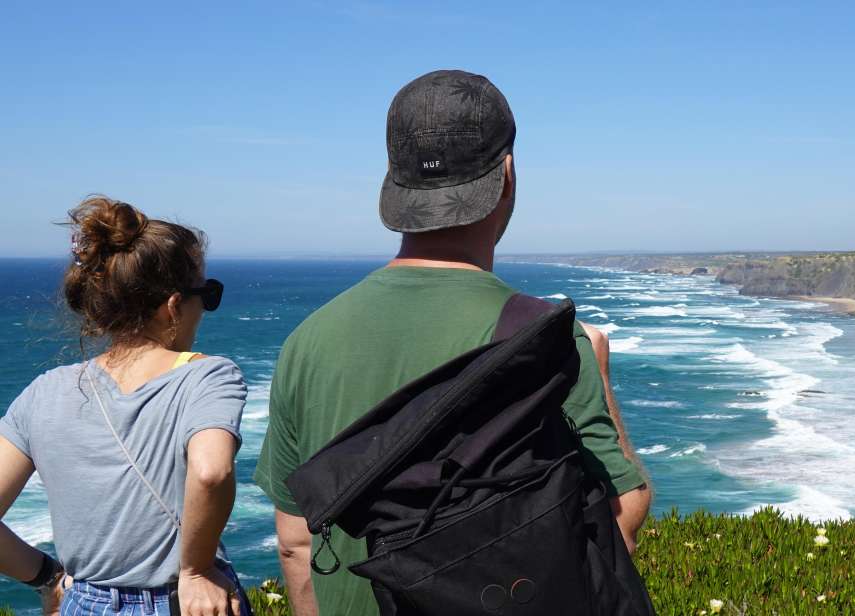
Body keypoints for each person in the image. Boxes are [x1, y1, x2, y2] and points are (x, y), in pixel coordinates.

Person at [253, 69, 652, 616]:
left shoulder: (305, 344)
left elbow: (296, 541)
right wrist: (598, 375)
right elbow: (617, 526)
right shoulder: (546, 342)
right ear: (507, 174)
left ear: (394, 182)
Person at [0, 197, 252, 616]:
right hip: (178, 602)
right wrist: (196, 570)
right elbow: (211, 472)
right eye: (206, 294)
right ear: (173, 305)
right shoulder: (208, 376)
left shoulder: (44, 391)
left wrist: (47, 577)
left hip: (83, 601)